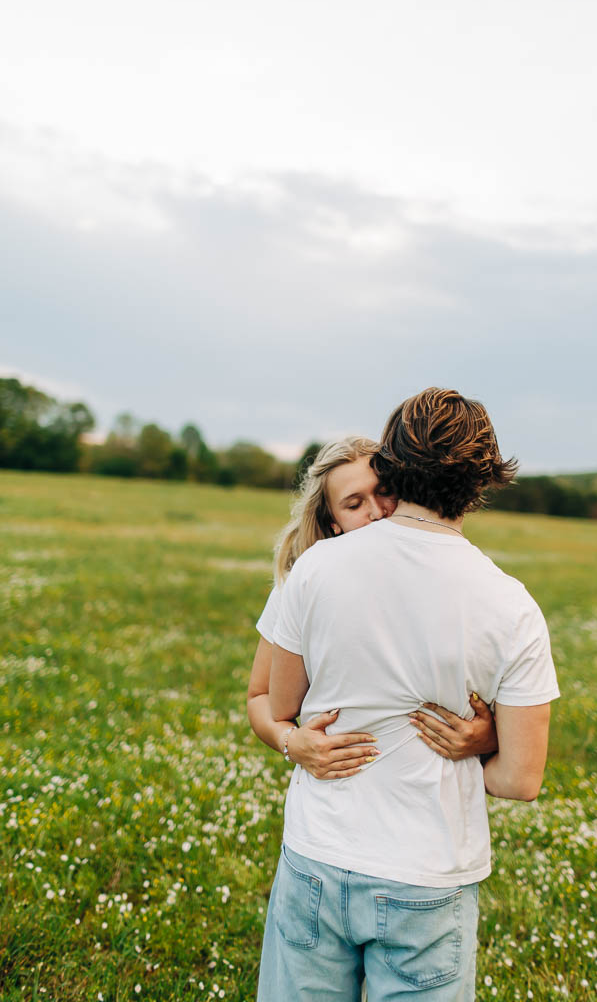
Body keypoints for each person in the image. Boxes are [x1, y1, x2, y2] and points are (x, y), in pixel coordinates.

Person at [258, 388, 560, 1001]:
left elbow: (279, 705)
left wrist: (294, 739)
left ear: (393, 464)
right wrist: (484, 743)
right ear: (482, 482)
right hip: (428, 876)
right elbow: (520, 780)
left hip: (319, 853)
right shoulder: (512, 606)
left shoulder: (316, 568)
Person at [247, 435, 498, 780]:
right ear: (333, 521)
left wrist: (489, 738)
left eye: (383, 491)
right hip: (332, 807)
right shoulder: (301, 583)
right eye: (354, 505)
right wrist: (290, 741)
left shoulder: (454, 581)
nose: (377, 512)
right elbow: (261, 696)